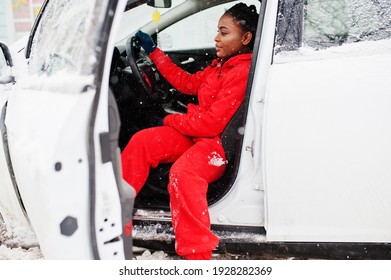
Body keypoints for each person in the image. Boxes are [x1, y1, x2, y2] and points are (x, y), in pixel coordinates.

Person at [121, 3, 259, 260]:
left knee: (182, 175)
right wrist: (154, 53)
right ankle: (116, 225)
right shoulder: (220, 65)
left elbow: (211, 125)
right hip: (195, 135)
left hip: (215, 145)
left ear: (246, 38)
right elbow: (187, 83)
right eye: (217, 31)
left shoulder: (241, 71)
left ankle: (197, 255)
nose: (216, 37)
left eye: (224, 32)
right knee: (142, 142)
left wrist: (171, 121)